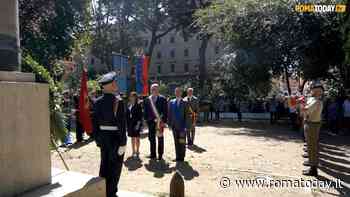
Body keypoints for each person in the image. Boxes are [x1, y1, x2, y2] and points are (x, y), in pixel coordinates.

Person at [92, 72, 127, 197]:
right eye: (114, 83)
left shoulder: (97, 102)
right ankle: (111, 193)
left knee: (104, 165)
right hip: (116, 139)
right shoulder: (118, 101)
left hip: (103, 138)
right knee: (115, 167)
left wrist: (97, 139)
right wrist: (123, 142)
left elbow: (94, 124)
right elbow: (122, 125)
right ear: (109, 86)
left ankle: (103, 190)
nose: (115, 84)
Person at [302, 80, 324, 176]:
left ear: (317, 91)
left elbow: (306, 111)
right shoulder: (313, 99)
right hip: (310, 123)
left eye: (313, 88)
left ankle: (313, 169)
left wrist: (297, 103)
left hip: (312, 125)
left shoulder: (316, 101)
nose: (311, 89)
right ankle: (311, 163)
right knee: (310, 145)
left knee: (312, 147)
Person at [143, 83, 168, 160]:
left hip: (159, 122)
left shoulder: (163, 99)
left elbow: (165, 111)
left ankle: (160, 154)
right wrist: (146, 120)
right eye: (152, 89)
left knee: (160, 138)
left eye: (155, 89)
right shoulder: (147, 99)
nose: (154, 90)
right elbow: (145, 111)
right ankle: (153, 154)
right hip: (150, 122)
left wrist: (163, 121)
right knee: (151, 138)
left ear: (158, 90)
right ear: (150, 90)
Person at [168, 87, 191, 162]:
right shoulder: (171, 102)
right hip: (174, 126)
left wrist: (186, 126)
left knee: (182, 142)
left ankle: (182, 157)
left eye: (179, 92)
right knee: (176, 142)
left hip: (182, 127)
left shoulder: (185, 102)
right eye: (176, 91)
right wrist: (169, 124)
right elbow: (170, 114)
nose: (177, 93)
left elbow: (187, 115)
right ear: (175, 93)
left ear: (181, 93)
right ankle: (177, 156)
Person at [126, 92, 143, 158]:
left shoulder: (138, 105)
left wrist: (138, 124)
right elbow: (127, 115)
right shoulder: (128, 104)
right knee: (132, 138)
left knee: (137, 138)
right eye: (130, 96)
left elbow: (140, 116)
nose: (131, 97)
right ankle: (133, 152)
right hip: (130, 124)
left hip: (136, 124)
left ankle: (137, 151)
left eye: (133, 96)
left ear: (135, 97)